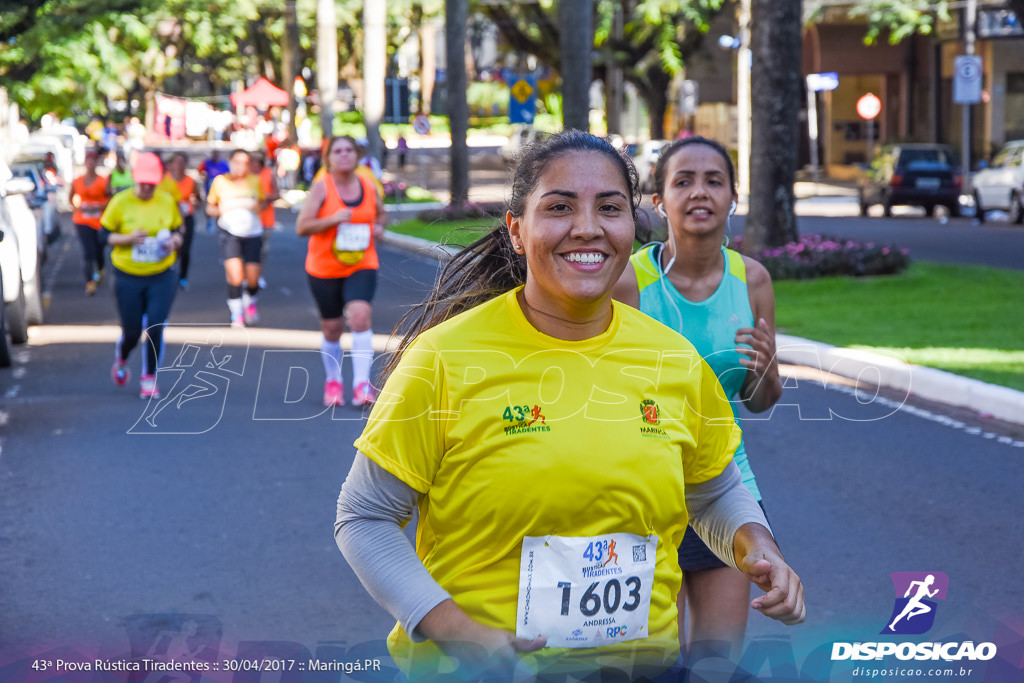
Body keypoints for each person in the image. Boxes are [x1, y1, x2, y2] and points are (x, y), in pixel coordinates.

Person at [334, 131, 803, 681]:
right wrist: (458, 631)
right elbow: (364, 516)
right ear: (516, 229)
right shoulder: (445, 358)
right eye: (559, 207)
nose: (588, 227)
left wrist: (757, 547)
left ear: (632, 226)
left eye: (610, 208)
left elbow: (714, 487)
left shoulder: (672, 359)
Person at [613, 135, 784, 664]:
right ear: (660, 201)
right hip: (641, 493)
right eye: (682, 181)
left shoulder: (752, 279)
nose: (699, 192)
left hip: (726, 486)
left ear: (733, 196)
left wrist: (765, 369)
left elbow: (761, 401)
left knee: (716, 665)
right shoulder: (628, 282)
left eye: (714, 180)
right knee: (646, 666)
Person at [295, 135, 386, 407]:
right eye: (338, 151)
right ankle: (334, 381)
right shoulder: (322, 187)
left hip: (362, 262)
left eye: (349, 150)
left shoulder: (368, 186)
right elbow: (302, 226)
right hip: (324, 267)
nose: (344, 155)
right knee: (332, 327)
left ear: (356, 156)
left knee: (360, 315)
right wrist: (331, 219)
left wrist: (380, 226)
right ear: (329, 159)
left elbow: (381, 213)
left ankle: (362, 386)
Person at [100, 152, 183, 399]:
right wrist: (128, 238)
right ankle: (123, 355)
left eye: (152, 184)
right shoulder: (120, 202)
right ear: (135, 179)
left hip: (161, 274)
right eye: (143, 183)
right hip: (127, 275)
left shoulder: (166, 201)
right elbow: (103, 237)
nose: (147, 188)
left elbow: (178, 230)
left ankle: (149, 377)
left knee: (156, 326)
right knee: (133, 330)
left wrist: (174, 242)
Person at [205, 149, 268, 327]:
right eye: (238, 162)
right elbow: (210, 208)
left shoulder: (254, 181)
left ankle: (250, 301)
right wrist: (224, 209)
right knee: (235, 276)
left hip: (252, 232)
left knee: (253, 278)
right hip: (229, 233)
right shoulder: (220, 182)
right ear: (230, 162)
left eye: (245, 163)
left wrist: (255, 205)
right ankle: (237, 313)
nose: (241, 166)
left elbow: (261, 202)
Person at [69, 148, 111, 295]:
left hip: (99, 221)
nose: (91, 164)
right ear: (85, 163)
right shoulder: (78, 181)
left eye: (94, 161)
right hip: (82, 220)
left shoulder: (103, 181)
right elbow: (71, 197)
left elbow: (110, 200)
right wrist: (77, 207)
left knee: (99, 250)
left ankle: (100, 269)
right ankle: (90, 283)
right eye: (89, 161)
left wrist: (99, 206)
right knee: (88, 252)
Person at [165, 152, 199, 289]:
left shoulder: (191, 181)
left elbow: (198, 198)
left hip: (186, 218)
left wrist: (196, 202)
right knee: (170, 248)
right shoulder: (166, 181)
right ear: (172, 164)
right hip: (168, 219)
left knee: (185, 249)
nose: (179, 165)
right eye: (177, 162)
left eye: (182, 162)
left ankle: (182, 277)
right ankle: (168, 274)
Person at [250, 152, 280, 289]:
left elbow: (276, 194)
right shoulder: (246, 175)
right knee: (248, 249)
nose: (253, 164)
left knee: (262, 250)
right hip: (249, 219)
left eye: (256, 161)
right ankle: (248, 276)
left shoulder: (268, 173)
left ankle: (259, 275)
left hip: (266, 220)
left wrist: (265, 197)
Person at [198, 150, 229, 233]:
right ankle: (209, 222)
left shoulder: (224, 164)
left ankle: (219, 223)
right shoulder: (206, 163)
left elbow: (229, 175)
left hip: (221, 191)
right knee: (209, 206)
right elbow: (200, 171)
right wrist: (204, 175)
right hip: (209, 189)